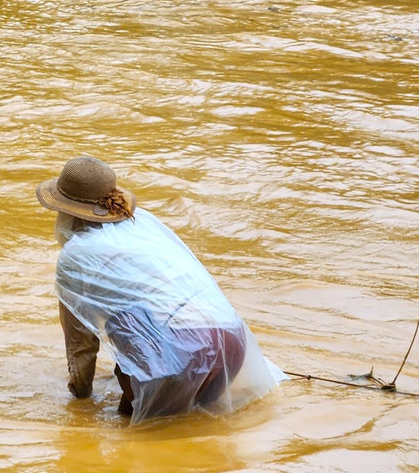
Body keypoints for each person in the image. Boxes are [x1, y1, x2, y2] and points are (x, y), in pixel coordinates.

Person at [37, 156, 282, 424]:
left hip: (177, 353)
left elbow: (80, 344)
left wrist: (80, 402)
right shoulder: (141, 222)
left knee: (133, 443)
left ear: (67, 211)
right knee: (195, 431)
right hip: (230, 343)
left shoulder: (75, 255)